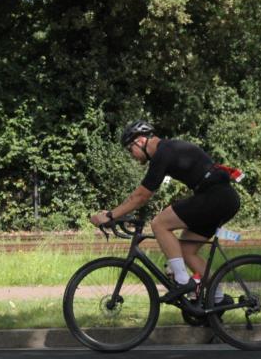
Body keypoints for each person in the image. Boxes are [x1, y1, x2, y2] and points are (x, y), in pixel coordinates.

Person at [89, 120, 241, 301]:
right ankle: (217, 299)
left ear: (140, 141)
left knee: (159, 223)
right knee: (186, 251)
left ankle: (183, 282)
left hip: (215, 197)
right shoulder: (168, 150)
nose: (132, 156)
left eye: (130, 150)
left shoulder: (163, 152)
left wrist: (110, 215)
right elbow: (144, 194)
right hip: (222, 198)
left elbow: (140, 197)